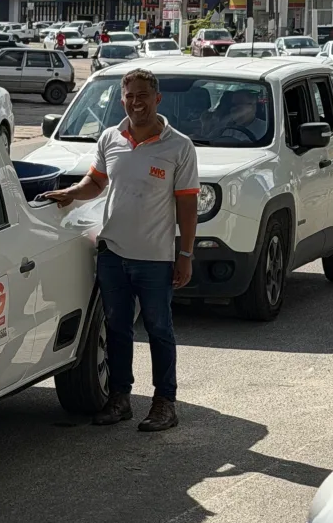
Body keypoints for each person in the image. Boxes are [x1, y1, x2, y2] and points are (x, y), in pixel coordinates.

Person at [42, 68, 199, 432]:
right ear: (122, 98)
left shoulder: (178, 146)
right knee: (116, 328)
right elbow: (96, 182)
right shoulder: (111, 138)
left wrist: (186, 254)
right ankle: (120, 399)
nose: (136, 102)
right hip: (113, 253)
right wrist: (69, 193)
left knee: (159, 329)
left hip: (155, 258)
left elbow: (187, 206)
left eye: (143, 94)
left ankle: (164, 403)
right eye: (129, 95)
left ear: (157, 99)